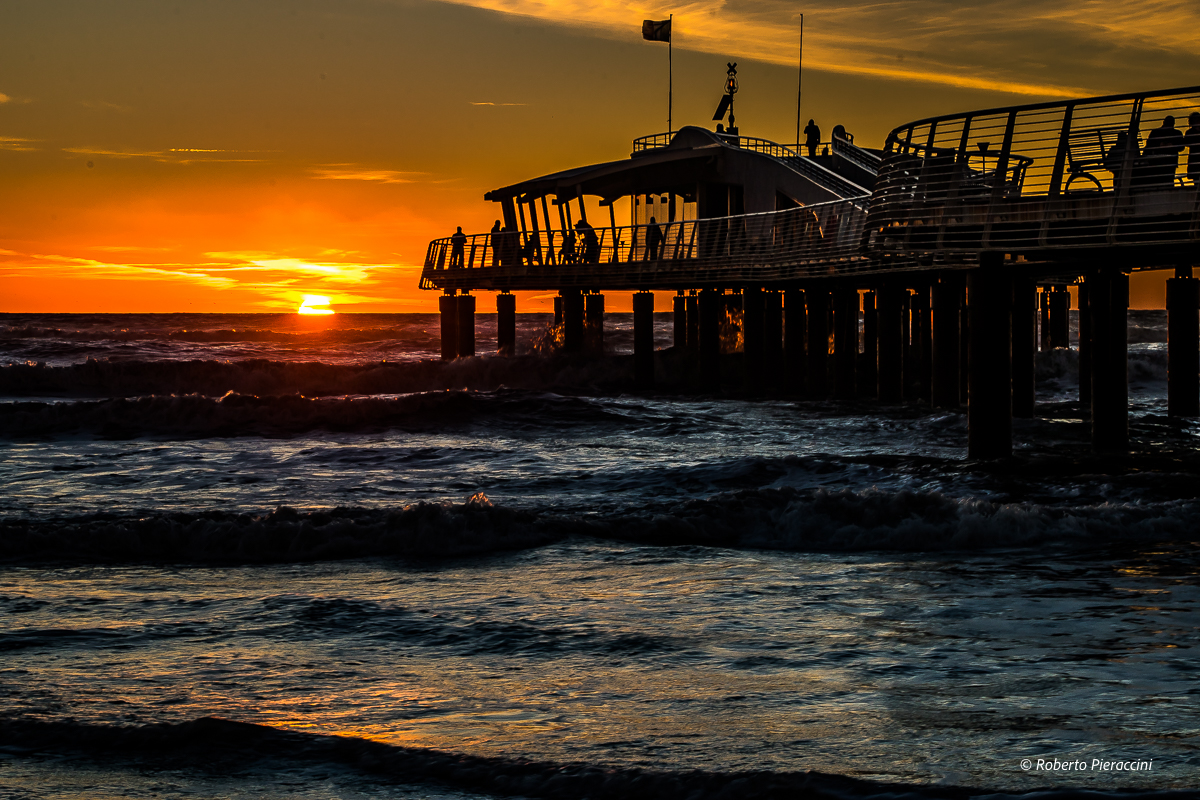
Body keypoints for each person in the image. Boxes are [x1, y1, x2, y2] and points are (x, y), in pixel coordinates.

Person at [1143, 115, 1184, 187]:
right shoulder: (1176, 133)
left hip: (1164, 163)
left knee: (1162, 182)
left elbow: (1181, 146)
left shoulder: (1156, 132)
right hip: (1161, 162)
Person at [1186, 112, 1200, 185]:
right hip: (1194, 160)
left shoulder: (1189, 132)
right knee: (1196, 182)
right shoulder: (1190, 132)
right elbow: (1187, 143)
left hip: (1194, 159)